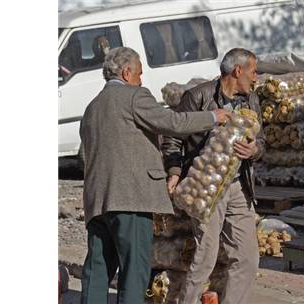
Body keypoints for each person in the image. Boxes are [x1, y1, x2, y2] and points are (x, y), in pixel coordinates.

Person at [79, 46, 230, 304]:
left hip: (97, 200)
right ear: (127, 73)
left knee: (98, 270)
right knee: (134, 271)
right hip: (131, 199)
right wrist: (213, 117)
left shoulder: (92, 107)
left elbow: (90, 153)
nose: (141, 79)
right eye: (139, 73)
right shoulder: (134, 96)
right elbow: (172, 122)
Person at [161, 48, 265, 304]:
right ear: (237, 71)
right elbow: (173, 138)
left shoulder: (251, 100)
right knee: (206, 257)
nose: (256, 78)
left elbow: (262, 141)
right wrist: (175, 172)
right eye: (253, 71)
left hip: (239, 187)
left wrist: (254, 150)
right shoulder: (198, 96)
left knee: (248, 258)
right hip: (205, 190)